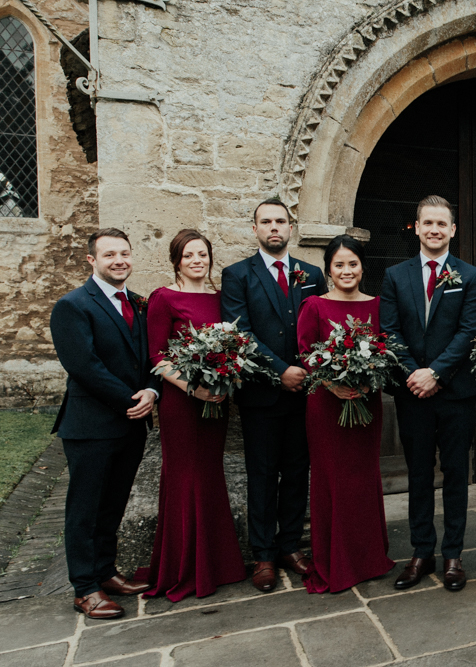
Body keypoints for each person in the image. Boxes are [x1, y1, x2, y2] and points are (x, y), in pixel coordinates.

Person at [49, 229, 159, 619]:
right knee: (85, 509)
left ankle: (106, 573)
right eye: (109, 254)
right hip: (91, 425)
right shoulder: (73, 305)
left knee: (113, 503)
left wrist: (151, 390)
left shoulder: (139, 304)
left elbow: (149, 358)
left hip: (130, 423)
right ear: (92, 260)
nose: (119, 260)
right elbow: (84, 366)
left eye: (125, 253)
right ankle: (85, 588)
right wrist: (132, 399)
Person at [380, 195, 476, 592]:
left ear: (452, 230)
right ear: (417, 227)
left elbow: (468, 331)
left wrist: (436, 373)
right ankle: (422, 552)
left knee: (456, 474)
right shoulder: (395, 275)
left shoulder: (470, 276)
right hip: (412, 394)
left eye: (442, 224)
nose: (435, 230)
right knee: (419, 474)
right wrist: (414, 375)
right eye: (428, 223)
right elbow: (389, 331)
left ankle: (454, 554)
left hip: (455, 393)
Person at [221, 198, 327, 592]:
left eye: (280, 221)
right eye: (266, 222)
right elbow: (240, 332)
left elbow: (320, 325)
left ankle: (289, 546)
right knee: (262, 475)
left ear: (291, 227)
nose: (274, 228)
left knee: (298, 472)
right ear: (255, 229)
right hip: (262, 396)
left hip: (305, 394)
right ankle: (263, 555)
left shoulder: (311, 272)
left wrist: (308, 371)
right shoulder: (237, 275)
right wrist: (280, 370)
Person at [141, 230, 246, 601]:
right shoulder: (163, 299)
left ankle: (219, 564)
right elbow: (156, 356)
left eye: (202, 254)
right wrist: (192, 387)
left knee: (210, 474)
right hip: (182, 404)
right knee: (185, 477)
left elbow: (234, 347)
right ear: (177, 261)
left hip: (216, 402)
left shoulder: (222, 300)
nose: (197, 261)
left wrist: (224, 379)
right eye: (189, 256)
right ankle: (184, 567)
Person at [298, 236, 395, 593]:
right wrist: (330, 382)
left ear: (362, 267)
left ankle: (368, 558)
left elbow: (386, 350)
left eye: (352, 263)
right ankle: (334, 560)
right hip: (326, 406)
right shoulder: (314, 306)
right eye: (339, 265)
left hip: (365, 402)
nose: (346, 271)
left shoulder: (378, 305)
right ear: (328, 270)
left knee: (362, 477)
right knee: (332, 480)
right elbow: (307, 354)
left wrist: (369, 384)